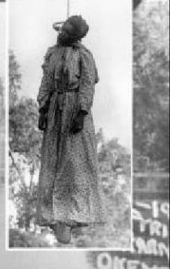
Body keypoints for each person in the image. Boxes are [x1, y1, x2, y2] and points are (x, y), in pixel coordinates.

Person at [36, 15, 103, 244]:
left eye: (66, 32)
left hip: (75, 110)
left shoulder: (83, 55)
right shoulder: (52, 53)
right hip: (55, 109)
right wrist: (43, 109)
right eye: (61, 30)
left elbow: (87, 85)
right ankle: (56, 217)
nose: (61, 34)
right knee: (54, 161)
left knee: (74, 163)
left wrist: (82, 113)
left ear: (75, 36)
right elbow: (46, 81)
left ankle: (75, 215)